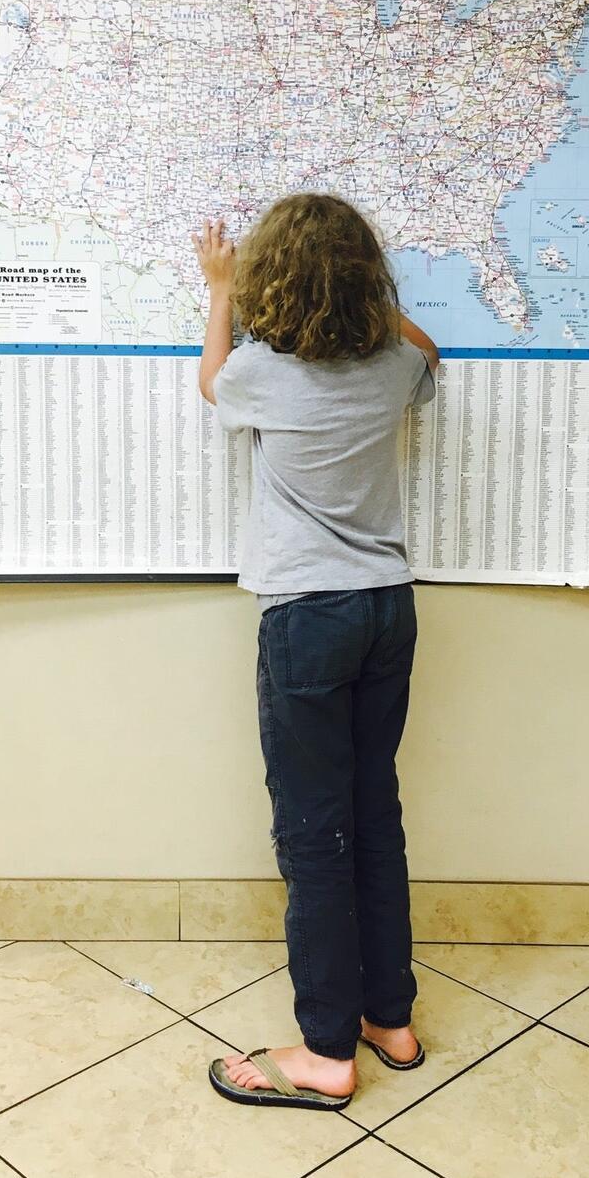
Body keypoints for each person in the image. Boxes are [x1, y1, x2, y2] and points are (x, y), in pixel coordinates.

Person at [191, 192, 440, 1112]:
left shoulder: (260, 371)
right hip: (386, 609)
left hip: (308, 615)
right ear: (367, 280)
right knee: (374, 816)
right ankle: (390, 1019)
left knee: (313, 833)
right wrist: (365, 300)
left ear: (276, 282)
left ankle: (327, 1051)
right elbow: (428, 351)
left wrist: (220, 290)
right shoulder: (392, 365)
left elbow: (211, 383)